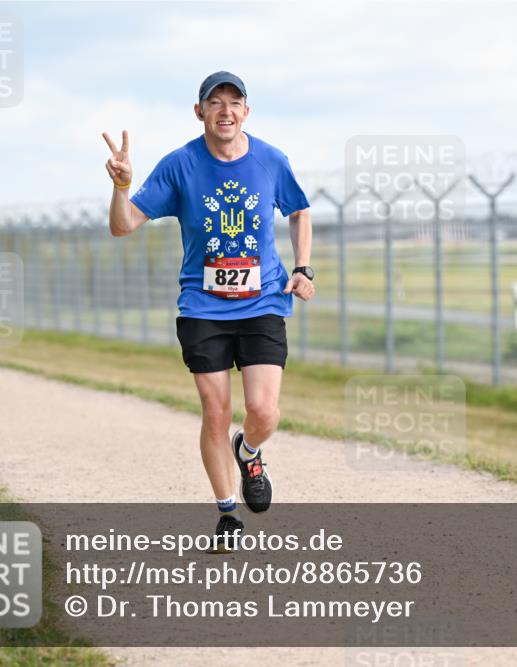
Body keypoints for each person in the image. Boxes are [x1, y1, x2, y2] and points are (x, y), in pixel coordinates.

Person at [102, 71, 314, 546]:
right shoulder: (180, 165)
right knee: (216, 411)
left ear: (246, 111)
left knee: (263, 410)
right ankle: (227, 513)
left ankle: (250, 451)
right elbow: (123, 225)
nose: (225, 110)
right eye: (214, 102)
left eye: (234, 102)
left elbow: (299, 210)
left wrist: (303, 267)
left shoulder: (270, 160)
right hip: (202, 307)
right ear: (199, 112)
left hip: (263, 301)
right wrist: (122, 187)